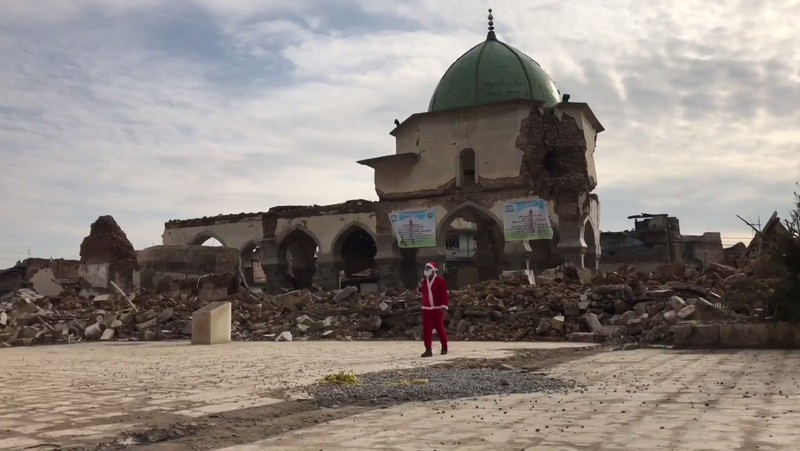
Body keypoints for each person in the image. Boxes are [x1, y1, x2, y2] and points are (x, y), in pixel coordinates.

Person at [416, 261, 449, 357]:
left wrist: (444, 306)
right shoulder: (423, 281)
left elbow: (444, 295)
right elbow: (419, 292)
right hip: (426, 309)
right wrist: (419, 287)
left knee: (440, 328)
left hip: (437, 309)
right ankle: (428, 349)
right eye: (425, 268)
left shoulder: (440, 281)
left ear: (433, 270)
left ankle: (444, 347)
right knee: (427, 330)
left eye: (428, 268)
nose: (426, 270)